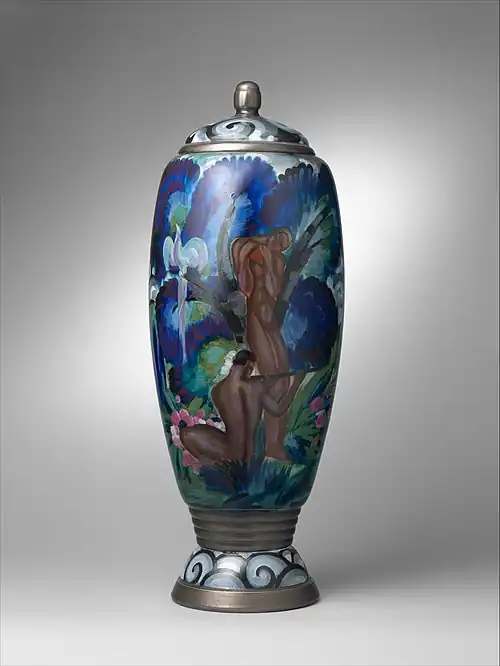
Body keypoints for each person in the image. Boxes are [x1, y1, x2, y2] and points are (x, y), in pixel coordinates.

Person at [230, 229, 293, 459]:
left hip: (270, 322)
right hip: (256, 319)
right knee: (271, 377)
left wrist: (270, 258)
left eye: (284, 244)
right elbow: (237, 250)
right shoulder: (253, 250)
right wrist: (260, 245)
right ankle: (270, 446)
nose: (280, 244)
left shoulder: (278, 260)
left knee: (283, 377)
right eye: (278, 238)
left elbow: (274, 289)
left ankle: (275, 443)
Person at [180, 350, 305, 465]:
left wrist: (264, 384)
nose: (251, 373)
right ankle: (215, 465)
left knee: (186, 434)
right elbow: (278, 410)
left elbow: (237, 401)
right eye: (251, 369)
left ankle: (212, 464)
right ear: (247, 365)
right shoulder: (255, 388)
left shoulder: (216, 391)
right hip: (249, 456)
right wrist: (296, 383)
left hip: (227, 452)